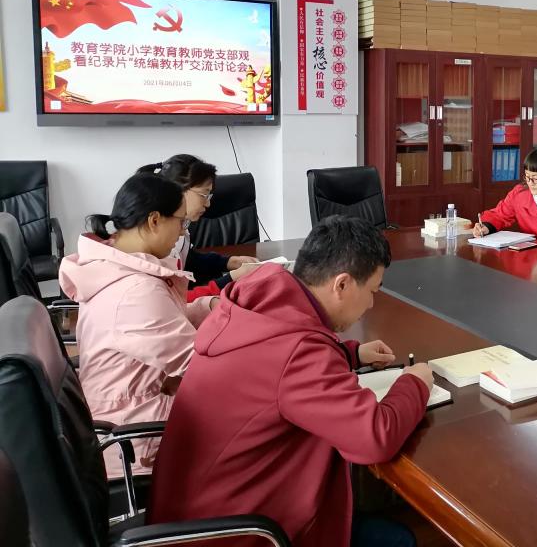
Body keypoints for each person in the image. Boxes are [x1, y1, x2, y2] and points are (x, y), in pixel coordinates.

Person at [148, 216, 432, 547]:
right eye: (372, 291)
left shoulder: (258, 299)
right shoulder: (298, 351)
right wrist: (415, 384)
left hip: (190, 514)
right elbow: (374, 438)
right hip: (238, 533)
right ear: (341, 284)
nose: (371, 304)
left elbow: (274, 369)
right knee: (399, 539)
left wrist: (349, 354)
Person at [59, 173, 218, 476]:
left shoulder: (112, 266)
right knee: (253, 419)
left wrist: (209, 307)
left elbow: (162, 321)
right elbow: (198, 362)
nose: (182, 232)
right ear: (154, 220)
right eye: (181, 222)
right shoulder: (135, 291)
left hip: (122, 414)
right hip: (134, 442)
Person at [140, 154, 259, 297]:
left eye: (209, 196)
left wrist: (229, 262)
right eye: (204, 195)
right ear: (178, 191)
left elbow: (187, 258)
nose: (208, 203)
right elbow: (174, 300)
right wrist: (230, 279)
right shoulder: (156, 242)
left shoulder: (178, 226)